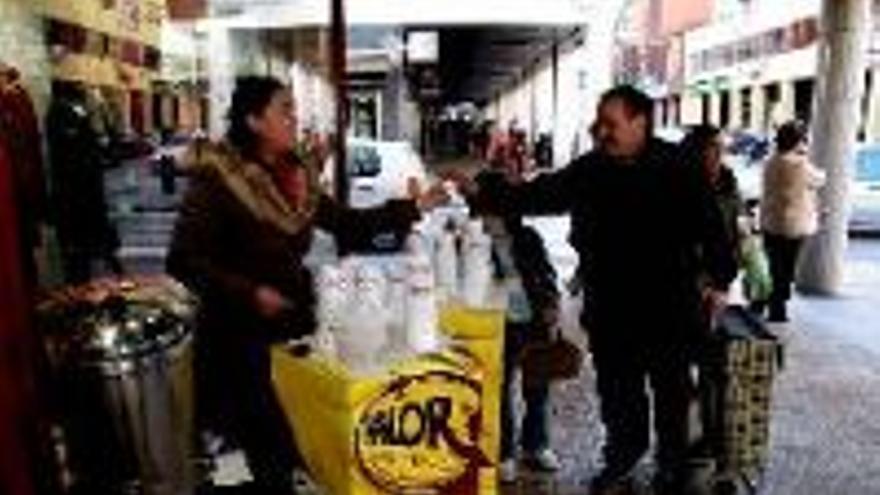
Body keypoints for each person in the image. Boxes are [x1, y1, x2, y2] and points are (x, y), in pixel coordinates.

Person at [166, 76, 446, 493]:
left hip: (292, 324)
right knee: (266, 452)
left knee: (300, 440)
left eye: (293, 109)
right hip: (240, 338)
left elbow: (349, 224)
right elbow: (183, 261)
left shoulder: (295, 175)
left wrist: (415, 205)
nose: (295, 119)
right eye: (285, 109)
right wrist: (250, 292)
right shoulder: (218, 179)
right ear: (254, 120)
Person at [456, 85, 737, 494]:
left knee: (672, 392)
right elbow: (542, 193)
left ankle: (671, 465)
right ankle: (622, 458)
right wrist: (485, 192)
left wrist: (720, 280)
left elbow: (713, 231)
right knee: (618, 391)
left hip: (669, 308)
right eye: (599, 122)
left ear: (641, 122)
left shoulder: (679, 169)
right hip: (611, 308)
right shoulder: (592, 168)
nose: (601, 131)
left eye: (611, 124)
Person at [480, 189, 561, 483]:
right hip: (498, 325)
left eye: (493, 211)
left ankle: (536, 445)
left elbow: (547, 272)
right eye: (484, 212)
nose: (488, 219)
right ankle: (504, 453)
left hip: (532, 321)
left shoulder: (528, 236)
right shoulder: (474, 240)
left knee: (537, 385)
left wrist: (551, 302)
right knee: (500, 388)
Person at [760, 121, 826, 322]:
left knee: (774, 265)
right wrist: (804, 155)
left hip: (771, 221)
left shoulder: (770, 161)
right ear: (797, 141)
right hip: (792, 225)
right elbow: (820, 179)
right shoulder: (798, 164)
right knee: (786, 269)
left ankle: (765, 301)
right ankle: (777, 308)